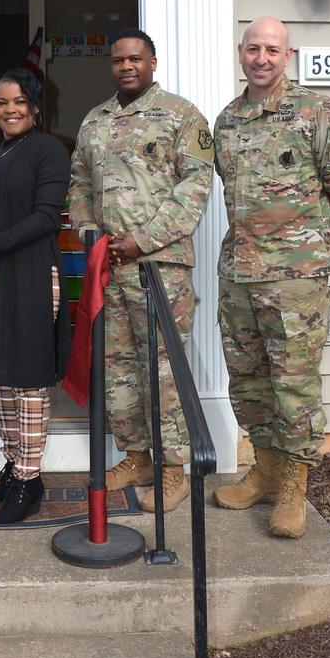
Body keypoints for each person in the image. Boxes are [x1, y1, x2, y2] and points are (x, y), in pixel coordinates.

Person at [212, 17, 330, 538]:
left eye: (271, 50)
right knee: (249, 381)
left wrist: (311, 245)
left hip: (296, 280)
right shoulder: (227, 121)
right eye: (253, 49)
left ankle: (296, 486)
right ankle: (267, 471)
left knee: (295, 385)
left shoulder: (317, 113)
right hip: (238, 276)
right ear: (240, 53)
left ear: (287, 55)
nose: (261, 58)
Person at [69, 27, 214, 512]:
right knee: (119, 367)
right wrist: (91, 234)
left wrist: (142, 240)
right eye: (117, 60)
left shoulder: (180, 115)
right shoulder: (95, 121)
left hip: (159, 268)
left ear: (153, 62)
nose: (126, 66)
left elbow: (195, 185)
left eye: (135, 59)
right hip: (110, 268)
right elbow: (80, 184)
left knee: (163, 368)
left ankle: (175, 468)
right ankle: (138, 456)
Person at [0, 68, 72, 525]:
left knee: (27, 381)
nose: (10, 110)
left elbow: (45, 218)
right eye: (2, 103)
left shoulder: (48, 151)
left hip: (31, 276)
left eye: (19, 101)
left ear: (35, 108)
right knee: (3, 378)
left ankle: (28, 478)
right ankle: (13, 465)